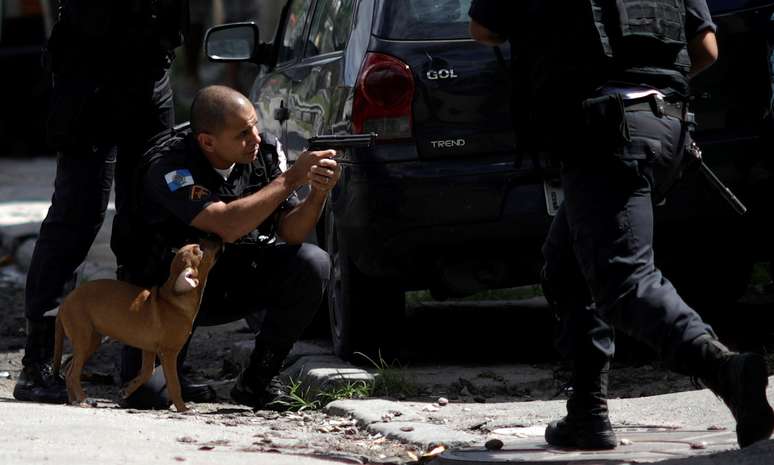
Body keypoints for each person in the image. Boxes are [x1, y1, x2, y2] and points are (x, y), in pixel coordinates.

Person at [469, 0, 774, 450]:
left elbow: (483, 28)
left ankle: (726, 371)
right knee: (567, 265)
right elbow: (706, 48)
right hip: (667, 125)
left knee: (624, 280)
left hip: (603, 133)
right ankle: (587, 416)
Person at [115, 85, 336, 409]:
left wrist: (317, 191)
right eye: (243, 133)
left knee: (311, 262)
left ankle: (257, 382)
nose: (256, 138)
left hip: (230, 278)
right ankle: (166, 367)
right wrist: (290, 179)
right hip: (165, 294)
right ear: (207, 141)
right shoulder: (169, 165)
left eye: (255, 126)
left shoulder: (266, 152)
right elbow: (225, 224)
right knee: (145, 395)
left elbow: (290, 232)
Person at [14, 0, 189, 404]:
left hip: (150, 78)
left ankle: (142, 363)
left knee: (149, 217)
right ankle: (39, 361)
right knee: (77, 218)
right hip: (89, 82)